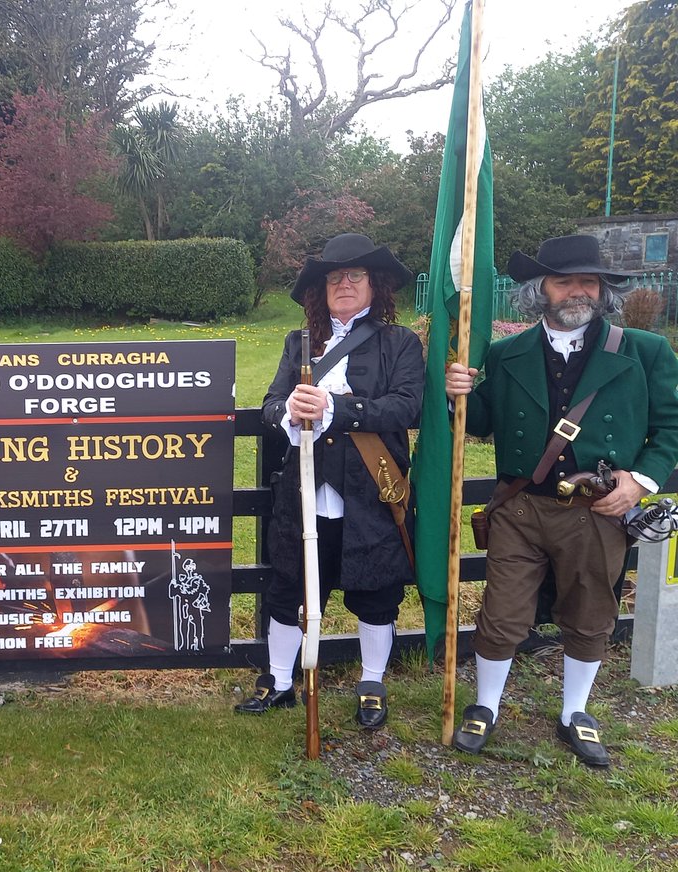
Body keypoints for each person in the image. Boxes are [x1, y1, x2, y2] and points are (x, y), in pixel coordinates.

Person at [445, 234, 678, 767]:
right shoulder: (506, 354)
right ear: (539, 290)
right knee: (502, 613)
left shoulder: (645, 351)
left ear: (603, 290)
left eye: (589, 281)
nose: (579, 291)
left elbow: (671, 427)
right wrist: (458, 390)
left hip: (597, 510)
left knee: (590, 612)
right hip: (521, 509)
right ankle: (485, 706)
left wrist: (640, 482)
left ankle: (575, 712)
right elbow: (480, 424)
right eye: (565, 280)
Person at [236, 233, 423, 728]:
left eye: (355, 276)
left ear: (374, 285)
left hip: (371, 491)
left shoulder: (399, 343)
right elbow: (271, 405)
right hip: (304, 491)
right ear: (320, 290)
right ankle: (278, 682)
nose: (344, 284)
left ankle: (372, 685)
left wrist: (339, 408)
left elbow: (407, 406)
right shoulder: (297, 344)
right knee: (286, 588)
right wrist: (287, 412)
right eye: (334, 277)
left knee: (377, 593)